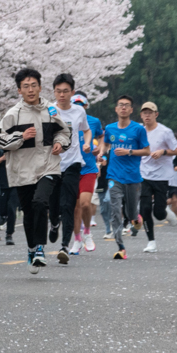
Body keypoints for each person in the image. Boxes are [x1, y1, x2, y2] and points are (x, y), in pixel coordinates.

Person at [0, 67, 71, 273]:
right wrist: (20, 137)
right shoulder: (13, 114)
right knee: (28, 212)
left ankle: (39, 249)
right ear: (19, 90)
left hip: (48, 166)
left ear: (40, 87)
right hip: (22, 170)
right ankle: (31, 248)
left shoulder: (50, 110)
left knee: (40, 202)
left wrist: (60, 143)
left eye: (33, 85)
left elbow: (64, 131)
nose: (30, 90)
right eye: (25, 86)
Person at [48, 73, 91, 262]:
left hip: (73, 162)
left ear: (72, 92)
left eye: (66, 91)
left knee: (68, 204)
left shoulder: (78, 112)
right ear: (54, 92)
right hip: (52, 163)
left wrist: (87, 143)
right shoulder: (48, 110)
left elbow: (86, 129)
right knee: (53, 203)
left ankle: (65, 246)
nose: (62, 95)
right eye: (58, 91)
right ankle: (54, 223)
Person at [103, 95, 148, 260]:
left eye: (126, 105)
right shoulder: (109, 128)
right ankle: (121, 247)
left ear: (131, 109)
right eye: (120, 105)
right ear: (116, 109)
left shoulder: (138, 129)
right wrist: (101, 153)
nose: (123, 108)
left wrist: (129, 152)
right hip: (114, 175)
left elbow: (147, 151)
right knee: (114, 210)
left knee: (131, 214)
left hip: (133, 177)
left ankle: (136, 218)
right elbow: (107, 144)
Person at [136, 102, 177, 253]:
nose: (147, 115)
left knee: (158, 214)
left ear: (156, 114)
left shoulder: (165, 132)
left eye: (150, 112)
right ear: (141, 115)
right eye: (144, 112)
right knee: (145, 208)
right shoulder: (138, 130)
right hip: (144, 174)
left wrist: (163, 152)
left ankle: (166, 212)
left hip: (161, 175)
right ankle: (151, 242)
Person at [71, 91, 104, 252]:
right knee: (74, 207)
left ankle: (87, 233)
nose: (78, 108)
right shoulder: (65, 120)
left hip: (89, 168)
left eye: (81, 105)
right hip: (71, 168)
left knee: (85, 204)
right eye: (74, 104)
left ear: (86, 106)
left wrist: (100, 149)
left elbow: (102, 137)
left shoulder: (94, 121)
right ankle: (77, 239)